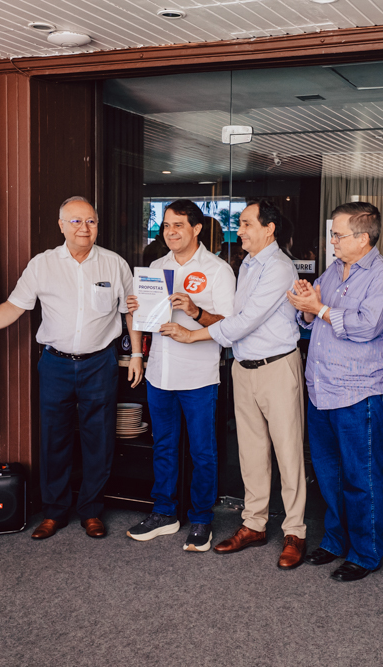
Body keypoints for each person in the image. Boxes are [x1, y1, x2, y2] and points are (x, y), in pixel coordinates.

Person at [0, 196, 142, 540]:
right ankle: (55, 512)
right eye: (76, 221)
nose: (84, 228)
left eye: (91, 221)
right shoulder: (43, 264)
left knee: (99, 440)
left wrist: (137, 353)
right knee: (54, 440)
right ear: (61, 225)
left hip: (100, 363)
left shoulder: (115, 264)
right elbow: (14, 306)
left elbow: (132, 311)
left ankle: (91, 511)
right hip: (55, 364)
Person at [161, 200, 306, 569]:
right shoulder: (249, 264)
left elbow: (244, 322)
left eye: (245, 224)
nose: (238, 230)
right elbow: (235, 319)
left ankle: (295, 531)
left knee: (288, 455)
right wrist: (199, 317)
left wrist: (192, 335)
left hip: (276, 367)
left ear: (269, 229)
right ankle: (254, 524)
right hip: (244, 368)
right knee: (251, 454)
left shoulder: (279, 267)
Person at [286, 202, 383, 582]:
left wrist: (318, 308)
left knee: (360, 477)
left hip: (358, 392)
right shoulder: (333, 269)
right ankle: (336, 541)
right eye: (332, 234)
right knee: (329, 474)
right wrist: (307, 305)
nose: (332, 241)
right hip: (321, 388)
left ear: (363, 238)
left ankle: (366, 553)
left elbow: (366, 327)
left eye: (337, 235)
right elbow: (312, 319)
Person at [126, 199, 236, 552]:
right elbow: (141, 320)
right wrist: (136, 316)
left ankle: (201, 518)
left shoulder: (218, 270)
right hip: (160, 371)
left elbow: (230, 327)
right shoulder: (155, 267)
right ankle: (164, 513)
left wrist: (194, 310)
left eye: (178, 225)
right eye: (166, 226)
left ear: (196, 229)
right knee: (163, 446)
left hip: (199, 375)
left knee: (203, 452)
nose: (170, 232)